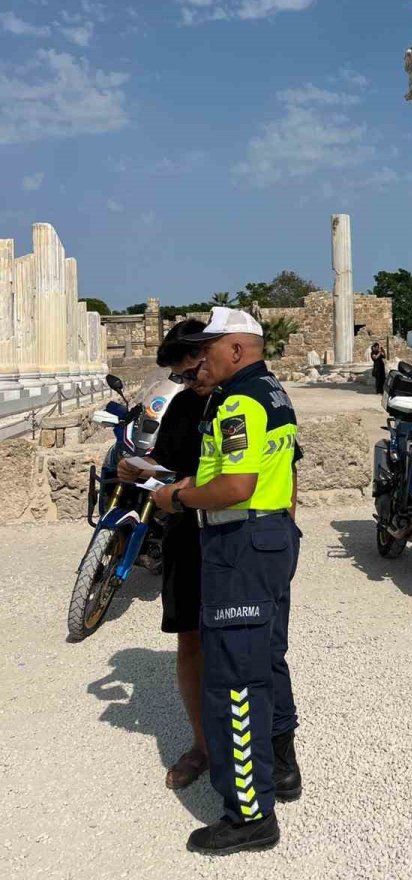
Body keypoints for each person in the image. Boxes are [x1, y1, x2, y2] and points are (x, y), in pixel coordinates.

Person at [152, 307, 301, 856]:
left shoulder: (238, 402)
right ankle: (282, 771)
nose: (203, 356)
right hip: (270, 537)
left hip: (239, 544)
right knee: (267, 659)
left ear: (237, 349)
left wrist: (178, 496)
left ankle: (249, 815)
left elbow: (237, 485)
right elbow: (270, 475)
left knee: (234, 680)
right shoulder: (273, 392)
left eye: (211, 345)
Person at [117, 319, 211, 791]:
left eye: (190, 370)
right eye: (180, 376)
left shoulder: (248, 403)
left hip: (234, 544)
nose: (187, 381)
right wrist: (140, 471)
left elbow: (279, 471)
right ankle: (202, 745)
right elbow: (170, 463)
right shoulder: (178, 408)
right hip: (185, 538)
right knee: (189, 641)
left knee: (250, 648)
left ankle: (271, 747)